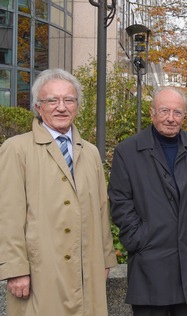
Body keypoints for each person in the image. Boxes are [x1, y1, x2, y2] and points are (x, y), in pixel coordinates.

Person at [0, 68, 117, 315]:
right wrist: (15, 269)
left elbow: (101, 209)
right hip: (41, 271)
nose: (61, 107)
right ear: (37, 107)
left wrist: (105, 259)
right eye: (52, 100)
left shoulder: (91, 152)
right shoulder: (16, 149)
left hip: (87, 269)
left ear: (77, 106)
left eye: (69, 100)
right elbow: (8, 215)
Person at [108, 87, 187, 315]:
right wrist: (140, 237)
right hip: (150, 262)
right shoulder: (128, 151)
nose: (171, 118)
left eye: (177, 112)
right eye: (164, 111)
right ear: (152, 113)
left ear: (184, 115)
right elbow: (120, 202)